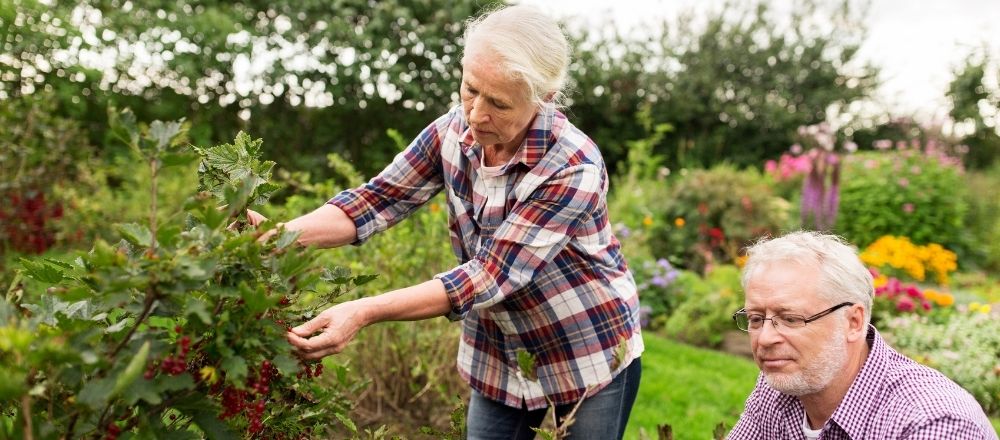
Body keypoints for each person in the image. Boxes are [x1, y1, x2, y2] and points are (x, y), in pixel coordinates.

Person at [247, 5, 643, 439]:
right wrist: (280, 238)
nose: (475, 115)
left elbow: (487, 275)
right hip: (500, 352)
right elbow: (377, 200)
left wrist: (362, 311)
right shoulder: (452, 131)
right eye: (470, 89)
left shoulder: (572, 166)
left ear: (543, 99)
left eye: (498, 103)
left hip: (585, 345)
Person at [728, 231, 997, 439]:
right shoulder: (781, 385)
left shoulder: (931, 423)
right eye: (756, 319)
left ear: (853, 322)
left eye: (790, 319)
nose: (764, 339)